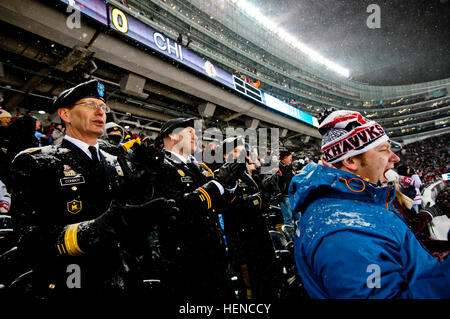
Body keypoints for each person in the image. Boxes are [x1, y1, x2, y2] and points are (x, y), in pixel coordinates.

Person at [9, 79, 174, 300]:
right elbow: (30, 241)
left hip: (125, 278)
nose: (100, 112)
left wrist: (145, 188)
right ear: (65, 115)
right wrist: (97, 229)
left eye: (103, 107)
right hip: (72, 283)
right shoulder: (38, 161)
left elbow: (128, 219)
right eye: (89, 104)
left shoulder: (117, 161)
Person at [290, 110, 450, 298]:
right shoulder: (346, 234)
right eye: (383, 150)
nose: (395, 158)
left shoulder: (351, 206)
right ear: (350, 161)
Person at [150, 117, 245, 301]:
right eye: (189, 132)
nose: (195, 136)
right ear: (172, 135)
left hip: (213, 254)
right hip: (187, 261)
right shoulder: (159, 166)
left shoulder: (199, 167)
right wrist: (218, 184)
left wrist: (230, 182)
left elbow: (220, 205)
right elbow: (178, 210)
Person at [262, 150, 297, 226]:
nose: (291, 159)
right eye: (290, 157)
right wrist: (278, 193)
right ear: (284, 158)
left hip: (293, 196)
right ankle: (289, 235)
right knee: (288, 219)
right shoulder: (276, 169)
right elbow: (267, 182)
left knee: (298, 217)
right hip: (284, 197)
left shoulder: (291, 168)